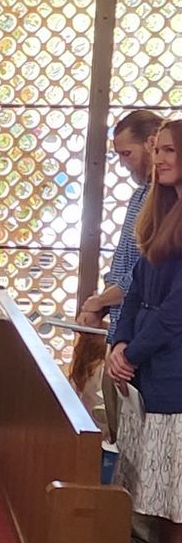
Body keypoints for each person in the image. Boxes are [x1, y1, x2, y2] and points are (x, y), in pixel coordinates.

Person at [106, 121, 182, 543]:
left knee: (181, 498)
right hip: (150, 364)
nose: (159, 157)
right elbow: (135, 288)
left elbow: (179, 309)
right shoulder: (158, 210)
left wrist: (135, 348)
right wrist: (118, 342)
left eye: (170, 149)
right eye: (157, 149)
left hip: (175, 364)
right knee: (163, 499)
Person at [79, 109, 164, 437]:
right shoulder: (140, 195)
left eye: (127, 153)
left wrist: (100, 301)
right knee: (118, 433)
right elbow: (123, 264)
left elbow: (142, 273)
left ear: (151, 143)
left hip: (145, 341)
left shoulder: (163, 200)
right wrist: (101, 302)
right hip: (122, 331)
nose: (124, 162)